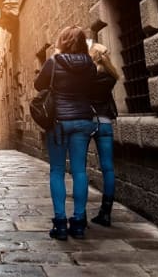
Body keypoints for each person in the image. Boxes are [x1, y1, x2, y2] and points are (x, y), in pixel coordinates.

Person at [33, 26, 108, 241]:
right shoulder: (90, 65)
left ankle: (60, 224)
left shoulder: (53, 62)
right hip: (83, 121)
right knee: (80, 171)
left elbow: (39, 86)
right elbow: (93, 91)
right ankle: (78, 222)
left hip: (58, 123)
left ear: (62, 41)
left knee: (57, 170)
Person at [89, 42, 121, 227]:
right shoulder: (111, 77)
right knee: (108, 168)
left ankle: (79, 214)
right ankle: (106, 212)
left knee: (79, 168)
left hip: (88, 122)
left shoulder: (87, 77)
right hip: (105, 123)